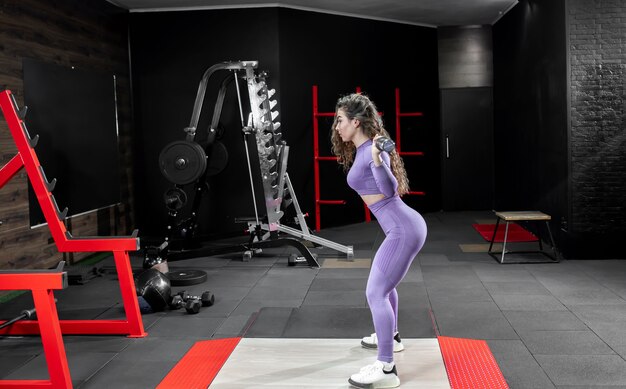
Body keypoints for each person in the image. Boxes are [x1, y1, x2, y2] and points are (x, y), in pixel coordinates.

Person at [331, 93, 427, 388]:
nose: (336, 126)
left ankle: (386, 368)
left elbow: (390, 190)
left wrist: (376, 161)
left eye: (340, 120)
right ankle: (392, 337)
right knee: (385, 287)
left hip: (403, 229)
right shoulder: (361, 149)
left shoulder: (374, 150)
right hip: (400, 227)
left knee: (376, 293)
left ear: (355, 122)